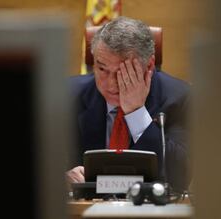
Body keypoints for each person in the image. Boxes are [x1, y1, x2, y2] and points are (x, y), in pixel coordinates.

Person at [66, 16, 191, 191]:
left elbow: (180, 176)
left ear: (149, 66)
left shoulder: (179, 97)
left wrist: (136, 112)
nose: (111, 84)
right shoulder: (68, 96)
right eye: (102, 69)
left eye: (123, 72)